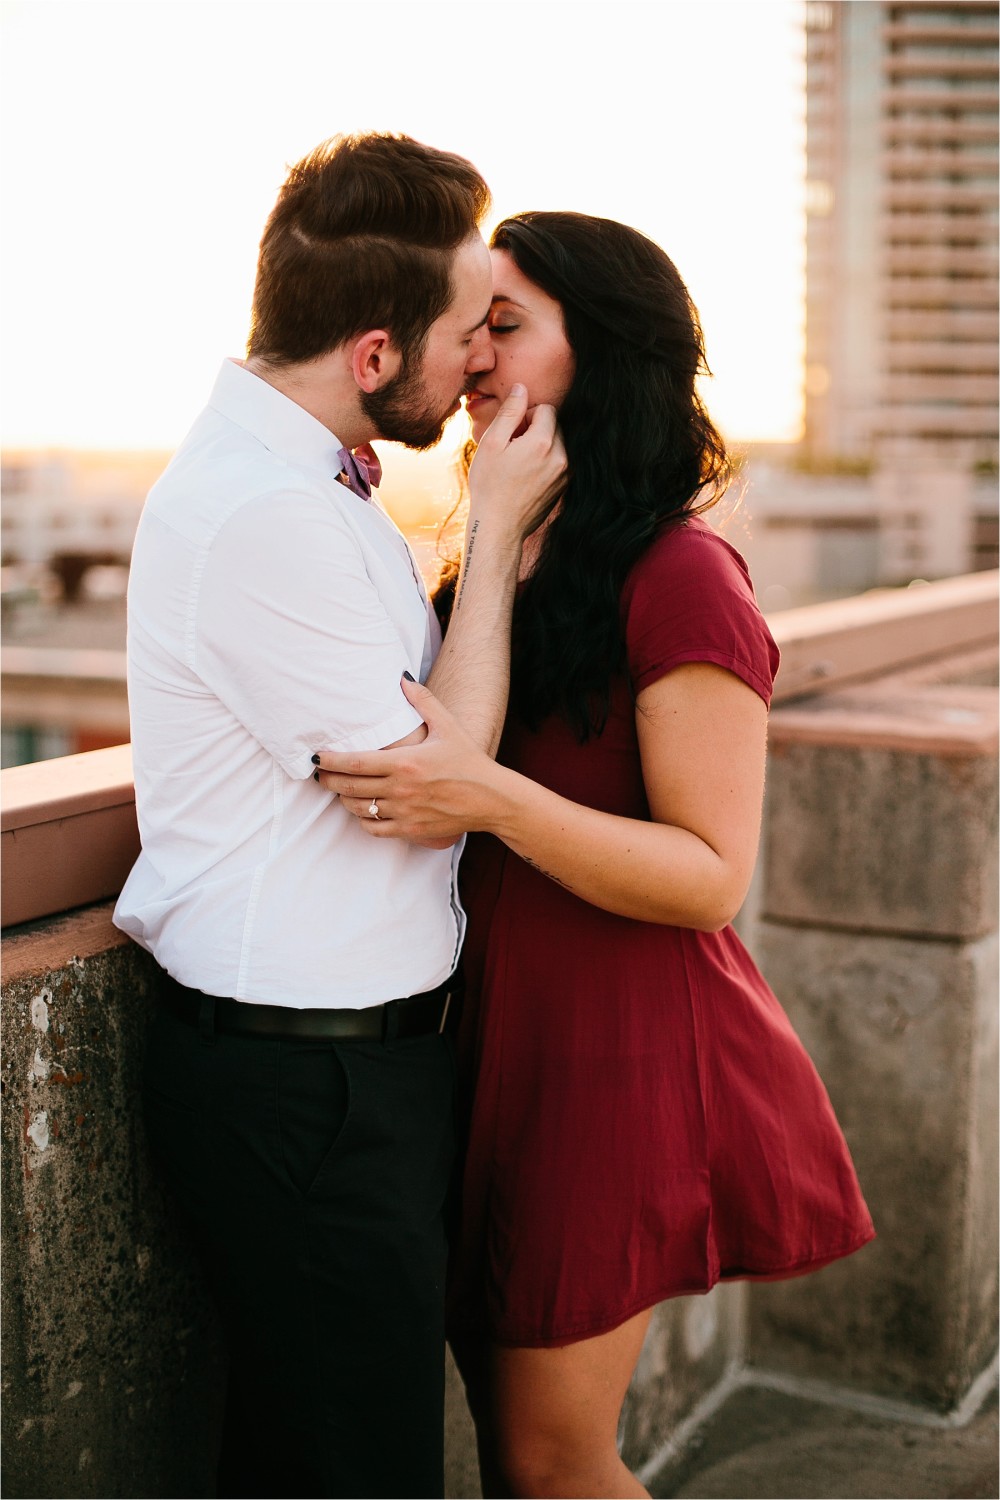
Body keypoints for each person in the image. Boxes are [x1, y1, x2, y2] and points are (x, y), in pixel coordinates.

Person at [315, 211, 876, 1500]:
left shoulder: (680, 575)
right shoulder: (507, 561)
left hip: (615, 1056)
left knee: (551, 1464)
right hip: (488, 1042)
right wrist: (499, 533)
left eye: (504, 326)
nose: (471, 357)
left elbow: (710, 874)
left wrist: (495, 799)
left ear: (602, 353)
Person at [113, 136, 565, 1500]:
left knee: (315, 1451)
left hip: (342, 1072)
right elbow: (437, 794)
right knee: (357, 1465)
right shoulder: (266, 514)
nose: (479, 366)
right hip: (305, 1083)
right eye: (463, 333)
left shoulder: (314, 480)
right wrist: (492, 537)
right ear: (374, 354)